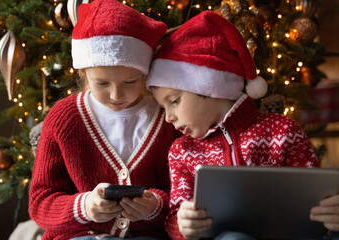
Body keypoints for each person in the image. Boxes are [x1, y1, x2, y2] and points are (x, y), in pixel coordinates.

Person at [146, 11, 339, 240]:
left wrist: (332, 214)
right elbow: (174, 216)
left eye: (175, 101)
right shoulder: (183, 151)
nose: (168, 117)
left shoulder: (283, 130)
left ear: (210, 87)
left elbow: (316, 196)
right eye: (163, 107)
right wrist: (183, 224)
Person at [29, 0, 178, 239]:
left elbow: (185, 194)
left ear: (145, 73)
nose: (116, 95)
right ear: (83, 73)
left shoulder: (168, 118)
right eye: (102, 83)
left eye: (130, 82)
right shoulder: (63, 118)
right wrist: (84, 206)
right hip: (81, 234)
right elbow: (40, 202)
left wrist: (155, 207)